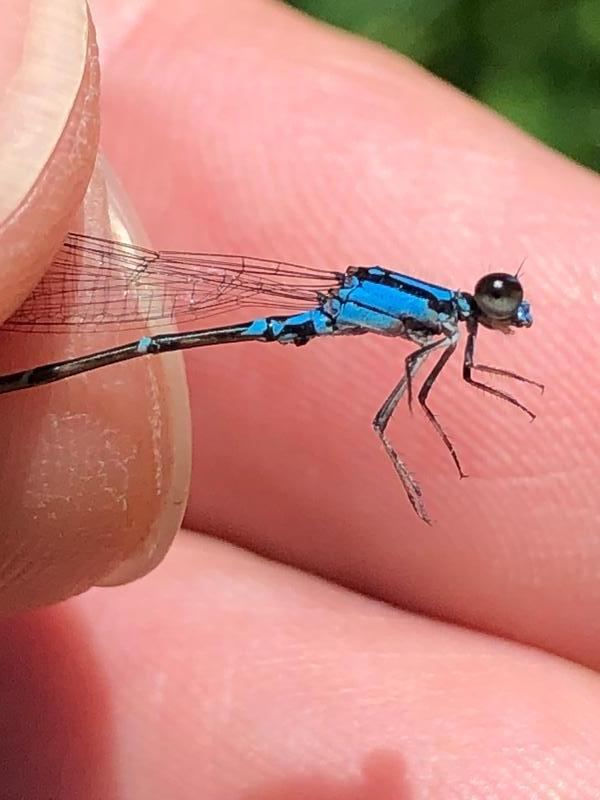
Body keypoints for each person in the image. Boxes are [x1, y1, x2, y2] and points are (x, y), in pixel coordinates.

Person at [1, 0, 598, 796]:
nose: (505, 313)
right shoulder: (444, 322)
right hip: (297, 306)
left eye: (502, 304)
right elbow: (403, 410)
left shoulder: (453, 325)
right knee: (147, 341)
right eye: (500, 301)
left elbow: (450, 378)